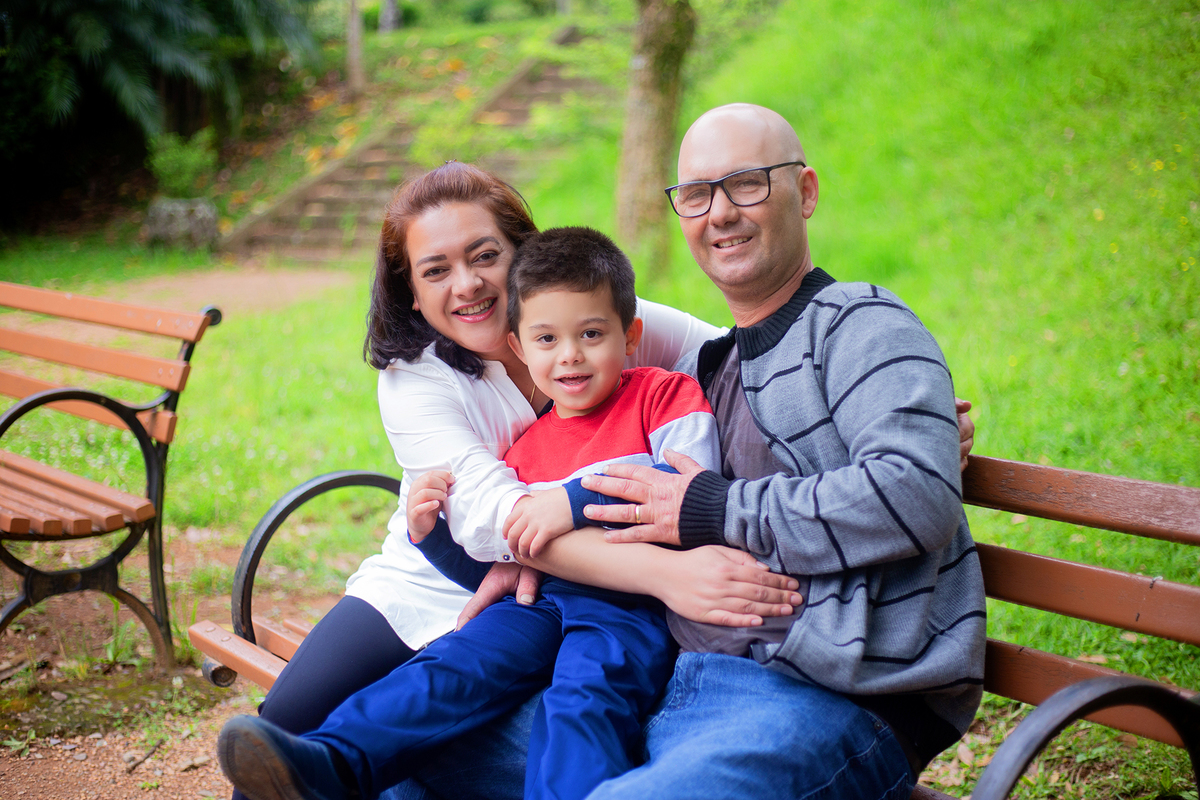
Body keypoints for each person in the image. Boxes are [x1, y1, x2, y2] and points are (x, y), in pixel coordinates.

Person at [230, 162, 805, 800]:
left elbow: (732, 360)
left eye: (485, 255)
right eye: (436, 270)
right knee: (291, 717)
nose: (468, 284)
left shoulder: (604, 318)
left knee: (579, 705)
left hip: (580, 588)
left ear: (523, 252)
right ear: (412, 293)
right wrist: (666, 574)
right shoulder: (415, 379)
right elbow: (496, 518)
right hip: (448, 581)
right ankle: (328, 767)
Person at [561, 103, 989, 799]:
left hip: (828, 698)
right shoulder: (704, 369)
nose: (720, 212)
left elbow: (917, 494)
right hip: (675, 683)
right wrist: (521, 546)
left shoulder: (862, 324)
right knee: (420, 765)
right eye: (696, 194)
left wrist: (714, 508)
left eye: (748, 183)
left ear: (807, 191)